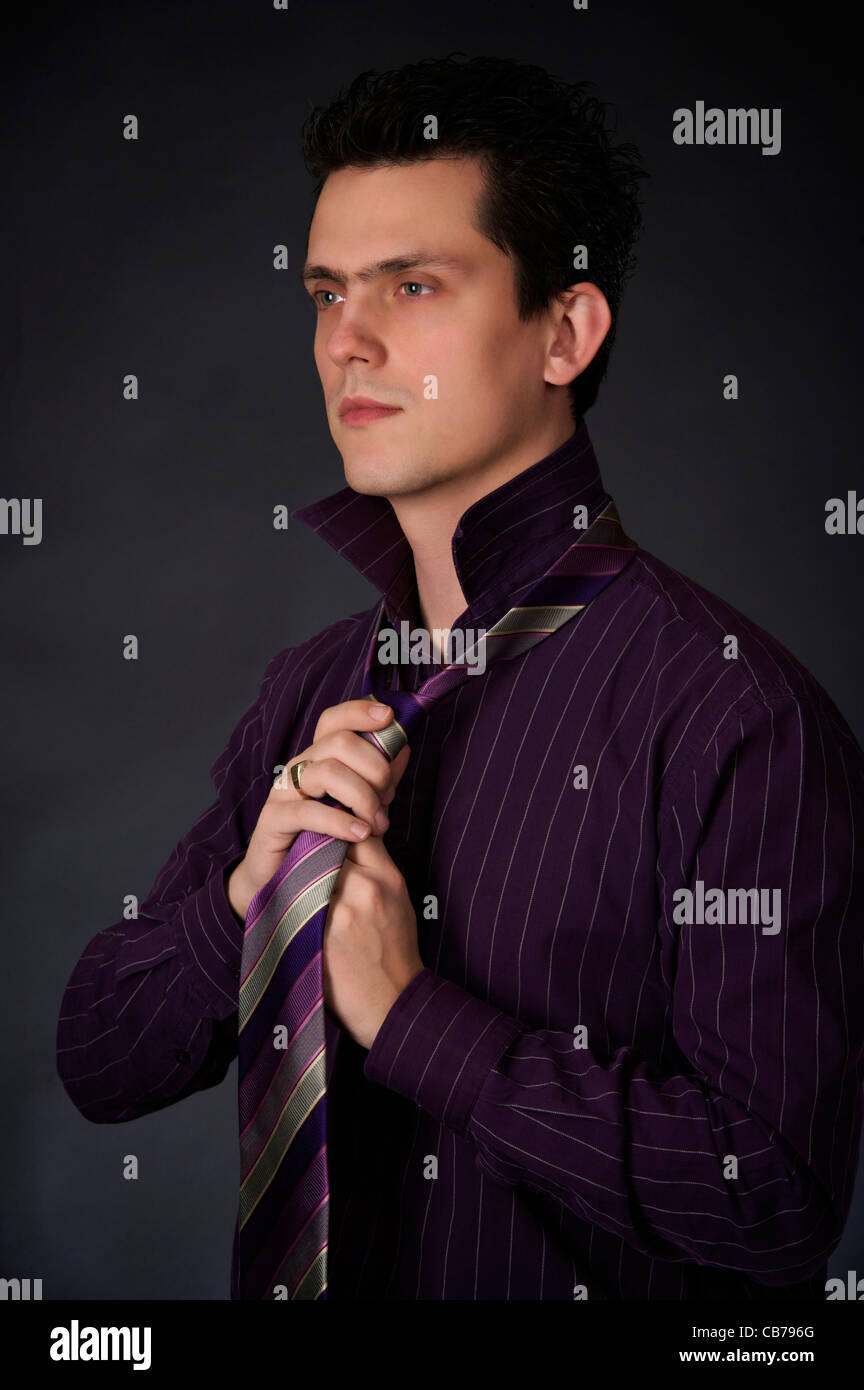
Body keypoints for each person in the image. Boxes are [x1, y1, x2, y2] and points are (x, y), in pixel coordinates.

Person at [57, 53, 864, 1300]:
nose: (346, 342)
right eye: (326, 292)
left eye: (413, 285)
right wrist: (242, 905)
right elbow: (101, 1063)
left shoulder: (735, 715)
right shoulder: (307, 689)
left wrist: (416, 1022)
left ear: (565, 331)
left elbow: (774, 1197)